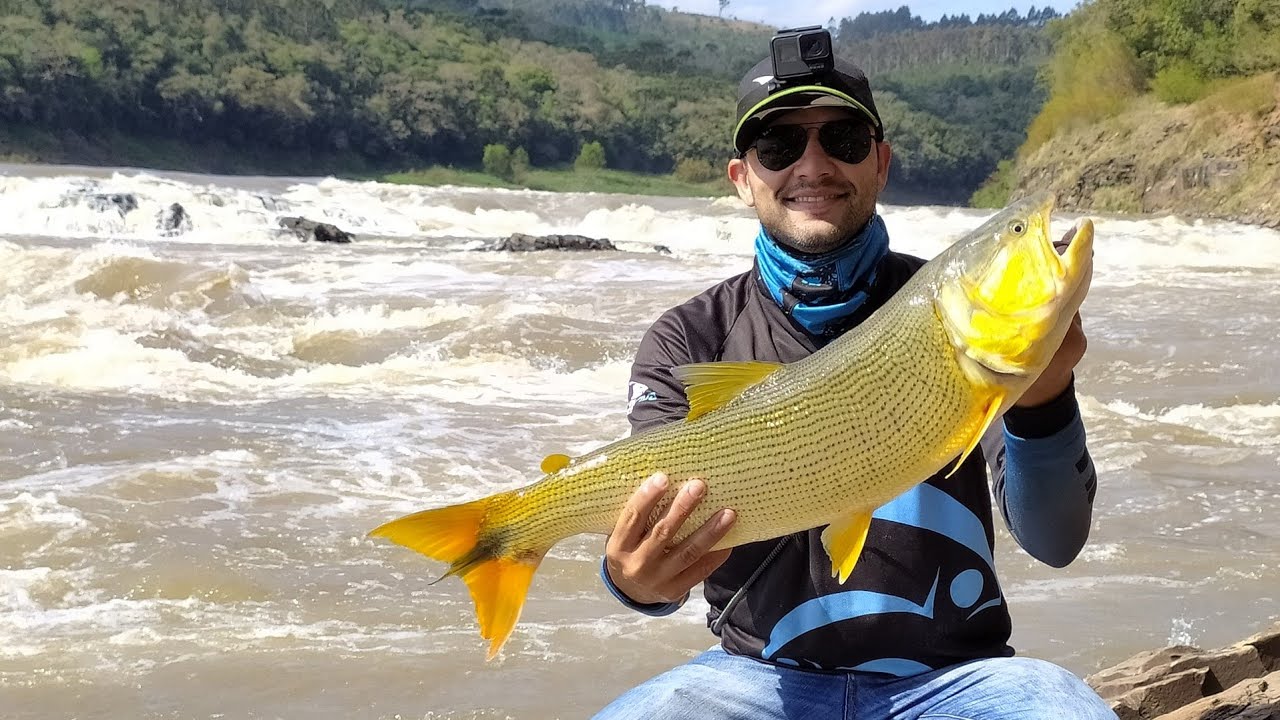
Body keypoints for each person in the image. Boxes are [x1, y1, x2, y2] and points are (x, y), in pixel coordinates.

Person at [590, 52, 1117, 720]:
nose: (812, 166)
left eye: (841, 139)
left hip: (959, 683)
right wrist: (632, 581)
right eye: (778, 144)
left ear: (881, 162)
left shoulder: (955, 308)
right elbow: (658, 538)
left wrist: (1045, 394)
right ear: (741, 178)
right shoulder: (689, 338)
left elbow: (1055, 540)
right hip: (753, 680)